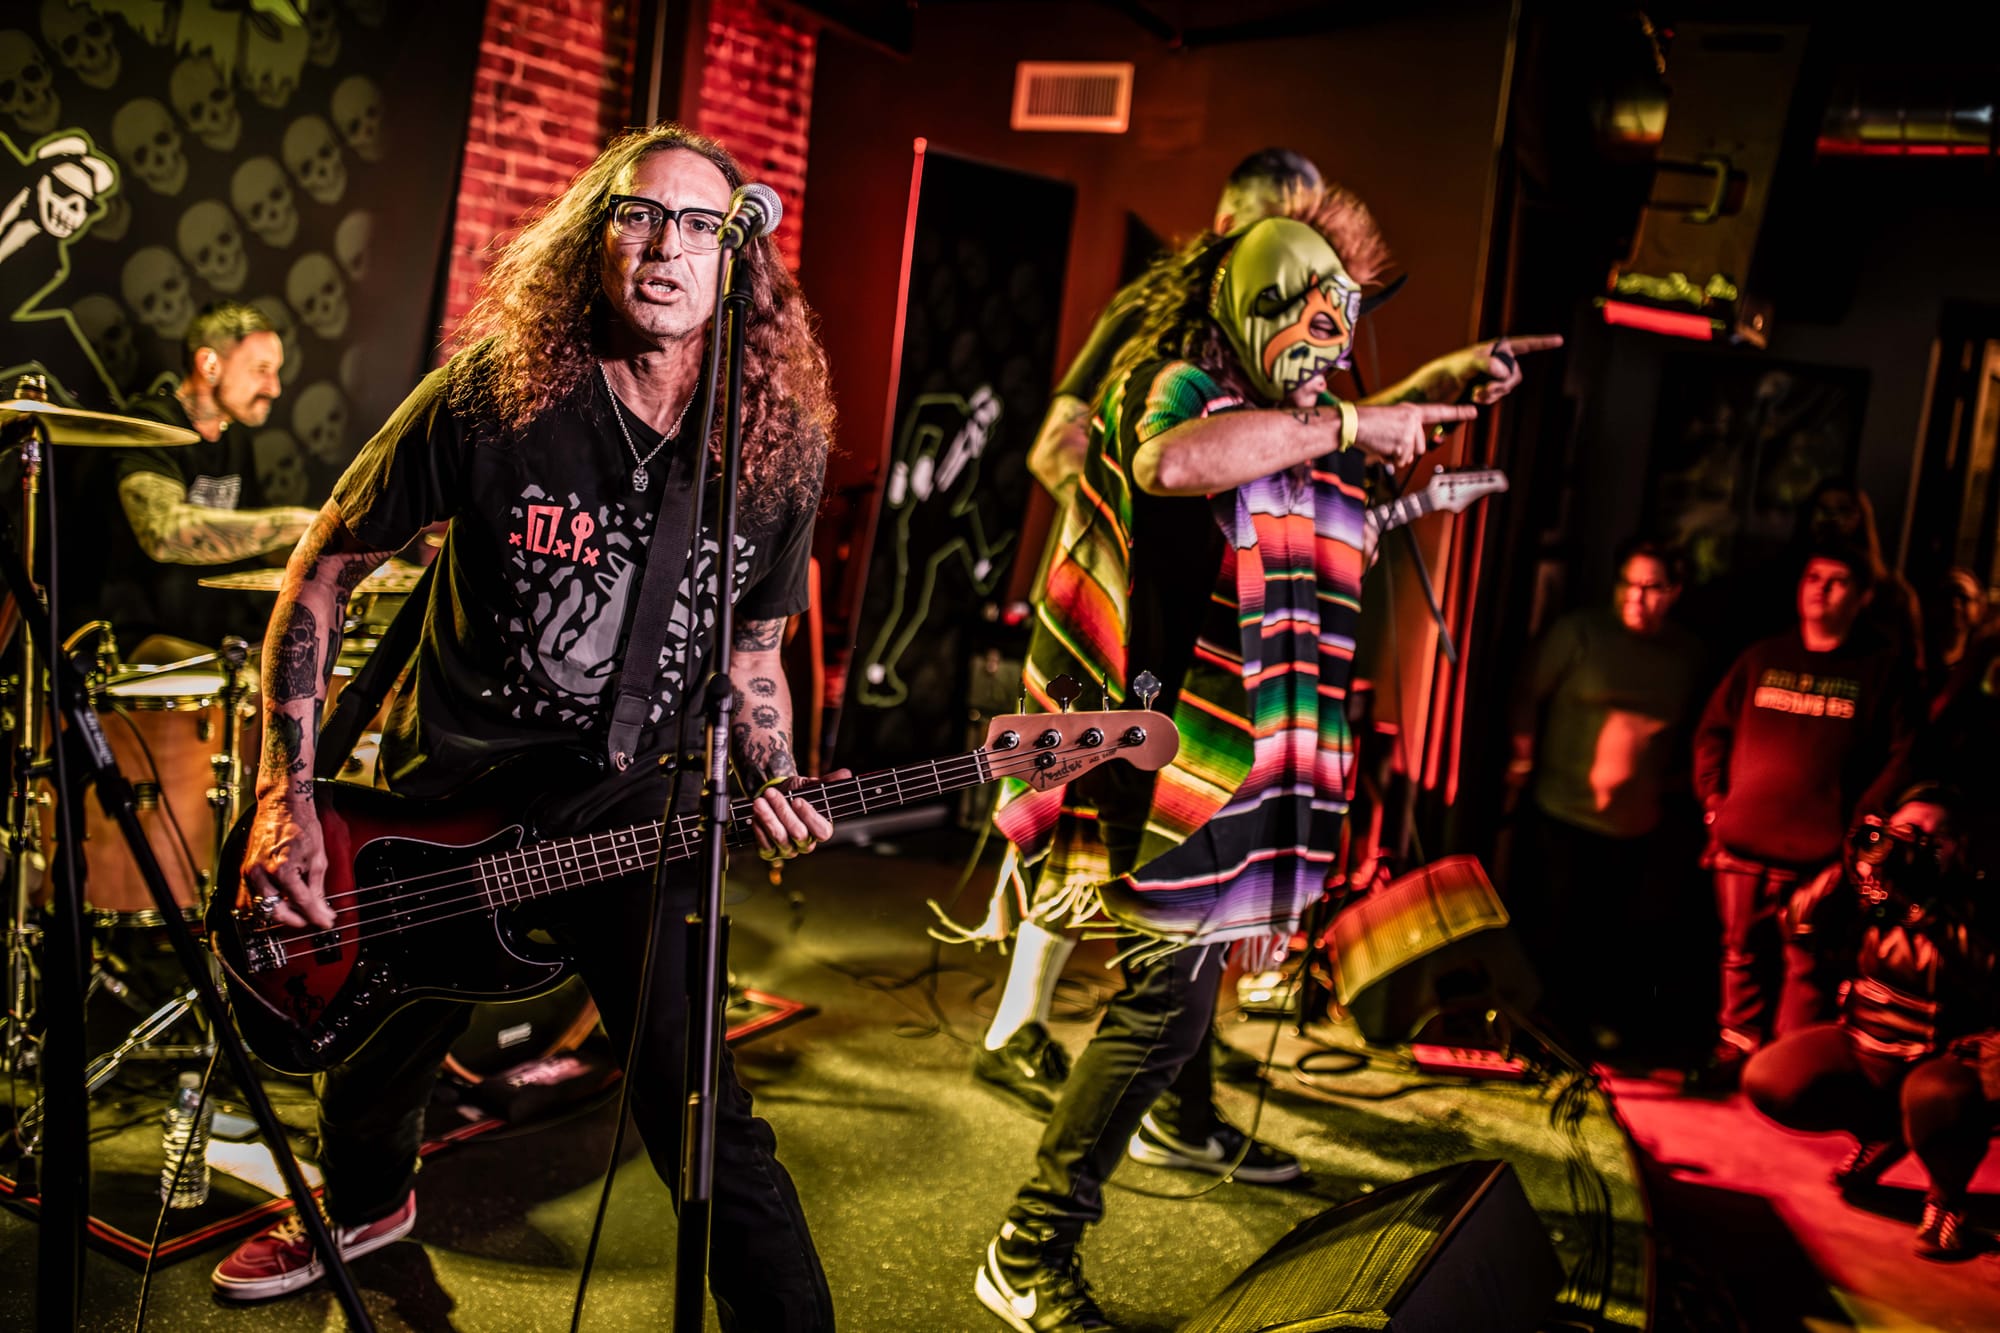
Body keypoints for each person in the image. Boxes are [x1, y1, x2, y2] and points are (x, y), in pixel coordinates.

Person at [209, 124, 840, 1331]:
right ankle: (365, 1206)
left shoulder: (771, 448)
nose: (663, 248)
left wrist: (776, 769)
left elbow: (754, 652)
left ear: (737, 259)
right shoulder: (498, 392)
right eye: (636, 215)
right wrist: (283, 796)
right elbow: (322, 571)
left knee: (699, 1104)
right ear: (592, 239)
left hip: (628, 802)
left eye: (697, 225)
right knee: (382, 1024)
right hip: (449, 779)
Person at [973, 185, 1554, 1332]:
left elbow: (1310, 473)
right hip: (1148, 746)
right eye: (1311, 329)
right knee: (1163, 1008)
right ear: (1254, 307)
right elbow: (1173, 462)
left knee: (1176, 1004)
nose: (1327, 365)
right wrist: (1351, 425)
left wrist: (1426, 398)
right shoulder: (1174, 386)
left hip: (1215, 752)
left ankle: (1148, 1145)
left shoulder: (1268, 405)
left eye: (1339, 339)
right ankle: (1026, 1245)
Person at [974, 147, 1326, 1120]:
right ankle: (1026, 1028)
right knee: (1085, 799)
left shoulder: (1272, 336)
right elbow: (1056, 446)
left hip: (1194, 619)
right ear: (1232, 230)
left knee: (1155, 815)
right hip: (1121, 619)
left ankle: (1169, 1051)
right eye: (1286, 229)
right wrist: (1131, 544)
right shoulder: (1153, 319)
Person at [1688, 545, 1919, 1091]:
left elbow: (1905, 755)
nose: (1821, 589)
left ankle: (1787, 1072)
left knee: (1807, 961)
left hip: (1821, 852)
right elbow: (1712, 732)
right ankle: (1736, 1047)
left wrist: (1860, 826)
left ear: (1862, 597)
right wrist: (1715, 803)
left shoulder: (1882, 669)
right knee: (1738, 953)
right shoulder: (1761, 657)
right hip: (1742, 842)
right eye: (1813, 577)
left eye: (1838, 581)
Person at [1744, 788, 1999, 1258]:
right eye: (1904, 831)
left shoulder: (1980, 894)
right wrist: (1848, 867)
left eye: (1929, 835)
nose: (1911, 843)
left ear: (1958, 843)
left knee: (1937, 1098)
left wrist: (1926, 913)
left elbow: (1988, 969)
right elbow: (1798, 924)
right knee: (1773, 1078)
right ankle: (1882, 1131)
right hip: (1869, 1042)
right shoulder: (1876, 889)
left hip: (1946, 1056)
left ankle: (1947, 1201)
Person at [1504, 538, 1704, 1047]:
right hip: (1563, 812)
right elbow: (1527, 693)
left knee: (1612, 937)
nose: (1636, 597)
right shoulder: (1581, 633)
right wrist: (1520, 761)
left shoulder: (1686, 654)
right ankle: (1536, 1033)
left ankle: (1589, 1034)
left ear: (1675, 591)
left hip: (1636, 826)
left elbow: (1697, 732)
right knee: (1553, 928)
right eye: (1627, 584)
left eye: (1651, 587)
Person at [61, 301, 318, 659]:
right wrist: (296, 523)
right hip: (136, 636)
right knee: (249, 682)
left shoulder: (236, 438)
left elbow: (257, 540)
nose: (274, 388)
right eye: (261, 370)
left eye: (275, 372)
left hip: (218, 634)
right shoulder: (150, 426)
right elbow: (163, 534)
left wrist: (333, 547)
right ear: (210, 364)